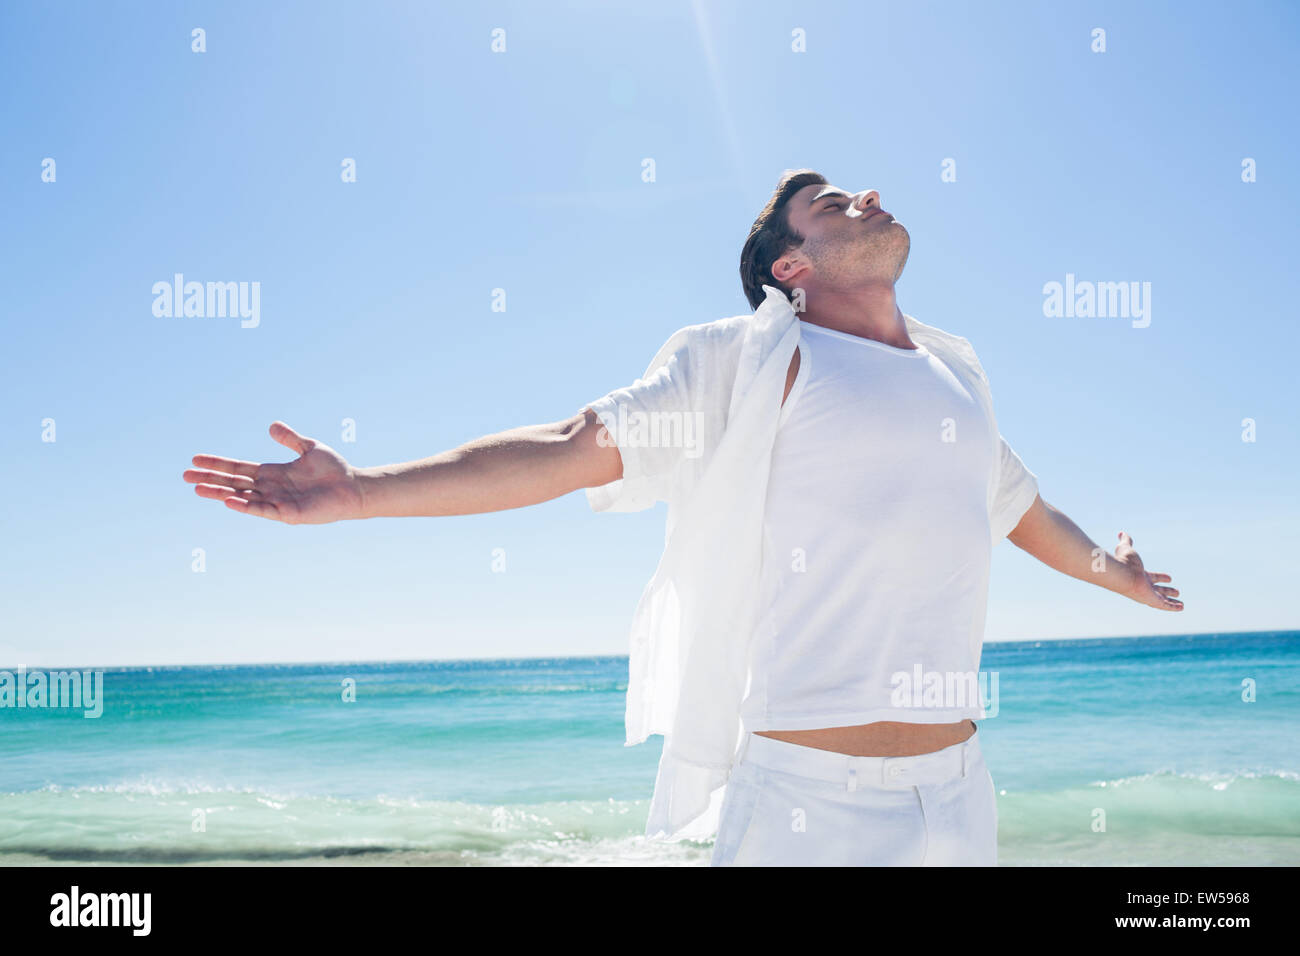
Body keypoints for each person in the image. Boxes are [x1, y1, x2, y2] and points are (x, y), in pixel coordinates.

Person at [182, 168, 1183, 866]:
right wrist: (362, 491)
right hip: (807, 804)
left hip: (962, 798)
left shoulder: (955, 374)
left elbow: (1018, 506)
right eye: (827, 205)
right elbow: (574, 443)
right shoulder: (747, 361)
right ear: (790, 268)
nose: (865, 197)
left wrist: (1114, 570)